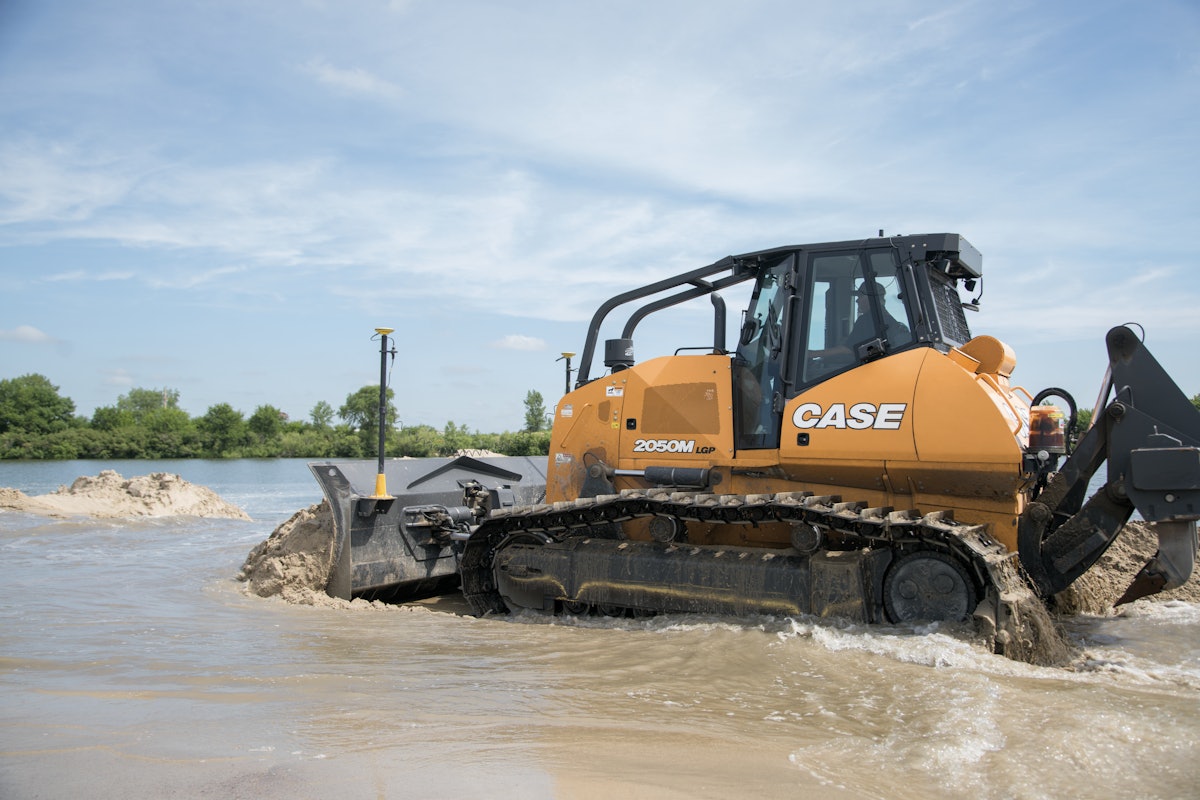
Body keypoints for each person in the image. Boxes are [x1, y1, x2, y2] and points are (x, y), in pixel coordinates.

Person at [810, 282, 909, 362]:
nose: (857, 301)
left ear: (870, 297)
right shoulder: (890, 321)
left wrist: (814, 354)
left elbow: (848, 350)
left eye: (860, 296)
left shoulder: (867, 319)